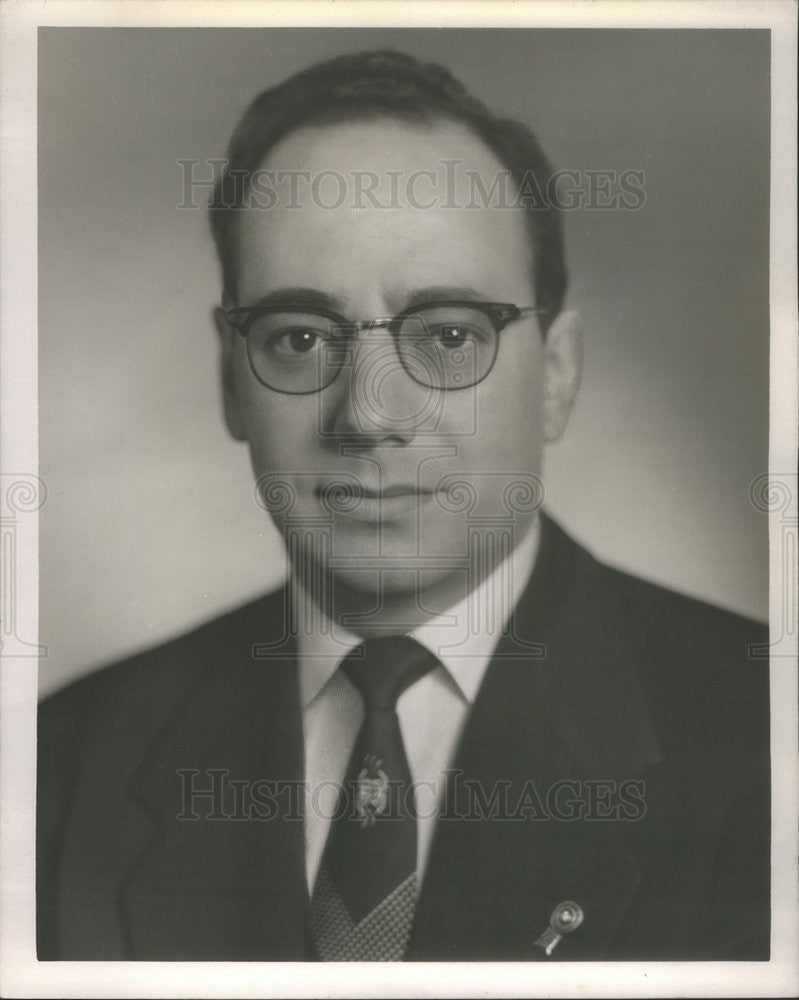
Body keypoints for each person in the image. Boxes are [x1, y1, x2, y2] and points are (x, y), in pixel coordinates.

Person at [37, 49, 769, 962]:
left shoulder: (761, 735)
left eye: (449, 335)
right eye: (300, 338)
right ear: (231, 379)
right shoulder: (57, 769)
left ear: (556, 375)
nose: (370, 414)